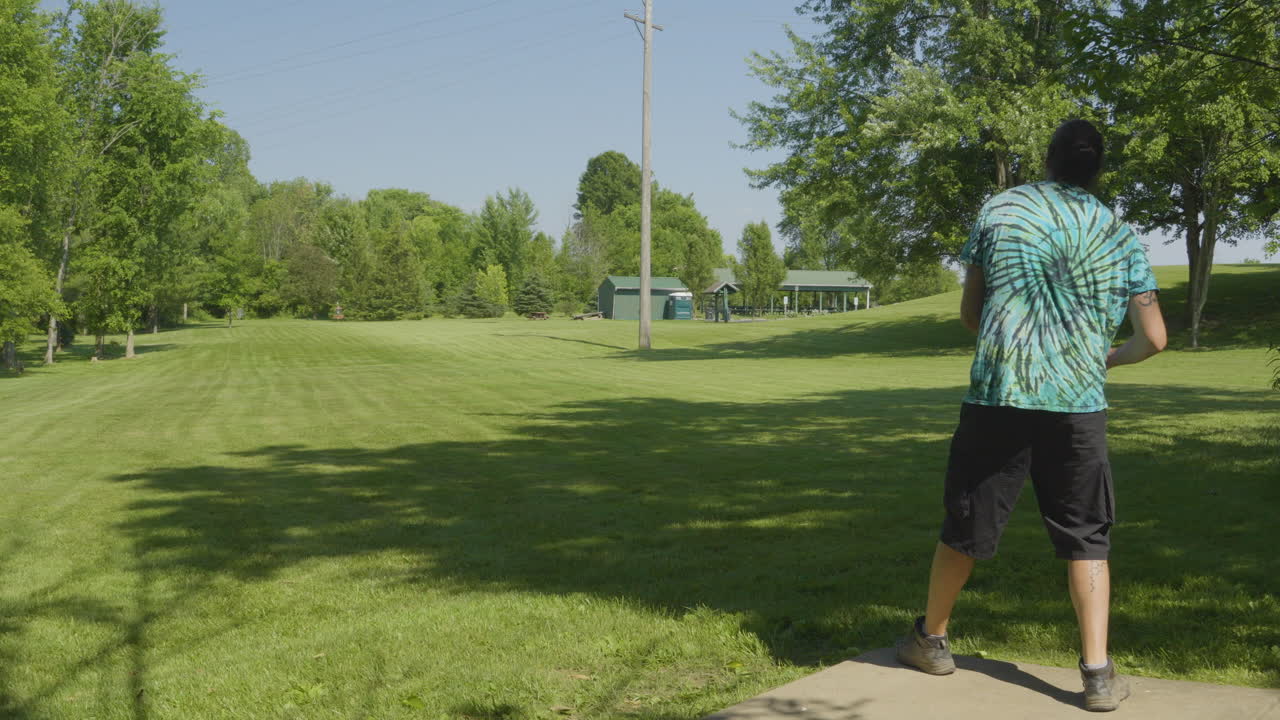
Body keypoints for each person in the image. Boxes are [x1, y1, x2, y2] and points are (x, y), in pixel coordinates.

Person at [894, 119, 1168, 713]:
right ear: (1097, 168)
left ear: (1047, 160)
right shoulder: (1117, 232)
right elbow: (1155, 337)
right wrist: (1104, 359)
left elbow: (972, 312)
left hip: (1000, 395)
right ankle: (1097, 675)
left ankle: (932, 640)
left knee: (966, 521)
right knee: (1087, 539)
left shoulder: (1001, 210)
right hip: (1077, 406)